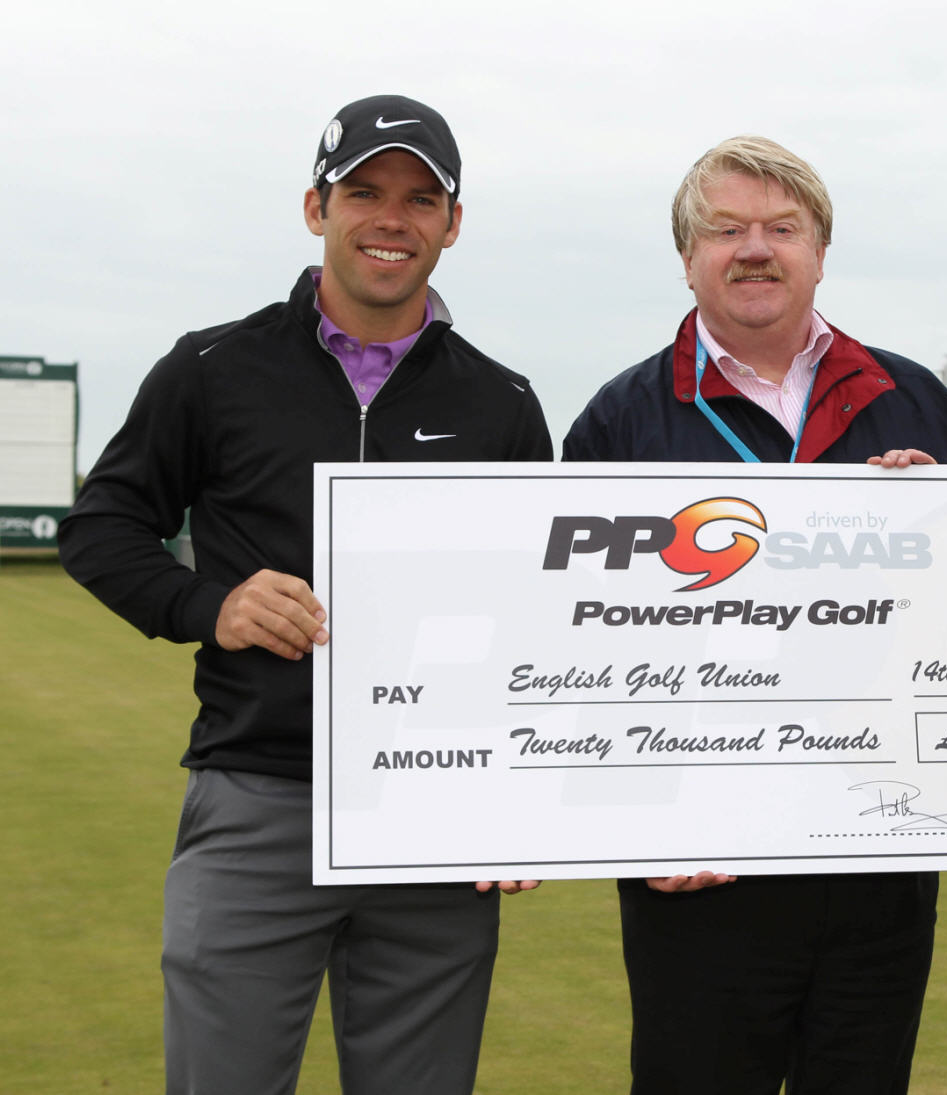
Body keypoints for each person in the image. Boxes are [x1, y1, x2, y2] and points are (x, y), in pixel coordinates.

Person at [58, 94, 552, 1094]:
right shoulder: (212, 368)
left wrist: (513, 803)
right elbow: (102, 528)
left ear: (452, 225)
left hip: (434, 820)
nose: (391, 217)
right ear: (314, 206)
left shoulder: (499, 402)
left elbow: (528, 619)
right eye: (362, 191)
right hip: (257, 799)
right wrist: (213, 605)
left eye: (421, 199)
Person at [564, 135, 947, 1094]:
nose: (754, 248)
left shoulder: (918, 402)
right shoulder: (619, 422)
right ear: (687, 256)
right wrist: (641, 826)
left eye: (781, 228)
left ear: (820, 249)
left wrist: (946, 516)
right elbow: (573, 649)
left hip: (879, 858)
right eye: (726, 229)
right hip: (700, 868)